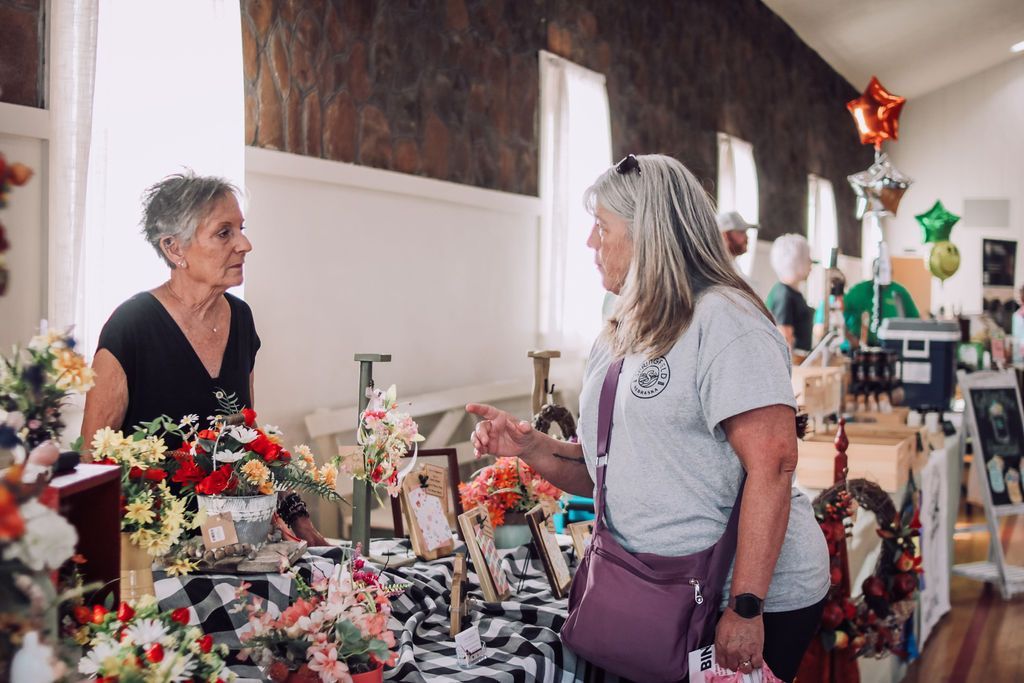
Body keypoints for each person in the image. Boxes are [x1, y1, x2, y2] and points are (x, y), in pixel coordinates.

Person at [468, 154, 828, 682]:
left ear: (648, 234)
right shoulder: (621, 329)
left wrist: (746, 606)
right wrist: (531, 448)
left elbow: (773, 465)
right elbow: (605, 469)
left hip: (744, 597)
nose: (591, 244)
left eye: (601, 228)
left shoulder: (726, 320)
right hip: (656, 592)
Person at [80, 172, 327, 546]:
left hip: (236, 540)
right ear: (174, 249)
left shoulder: (241, 320)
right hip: (156, 547)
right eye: (224, 232)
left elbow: (248, 444)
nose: (245, 244)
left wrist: (296, 514)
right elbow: (93, 462)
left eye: (241, 228)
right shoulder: (131, 325)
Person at [766, 234, 814, 358]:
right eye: (807, 258)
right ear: (797, 260)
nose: (811, 264)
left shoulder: (790, 292)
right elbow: (785, 338)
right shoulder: (784, 294)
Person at [842, 276, 919, 347]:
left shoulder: (899, 291)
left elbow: (915, 320)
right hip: (862, 347)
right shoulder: (858, 291)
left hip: (892, 346)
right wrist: (849, 337)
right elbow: (839, 312)